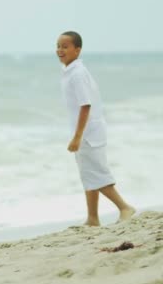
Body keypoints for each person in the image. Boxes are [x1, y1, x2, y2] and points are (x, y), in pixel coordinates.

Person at [56, 31, 136, 226]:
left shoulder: (77, 74)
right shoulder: (71, 71)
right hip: (86, 132)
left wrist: (77, 137)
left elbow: (86, 105)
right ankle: (93, 218)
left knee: (97, 174)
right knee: (88, 174)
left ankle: (125, 207)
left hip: (88, 133)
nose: (60, 50)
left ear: (77, 50)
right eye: (58, 46)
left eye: (65, 46)